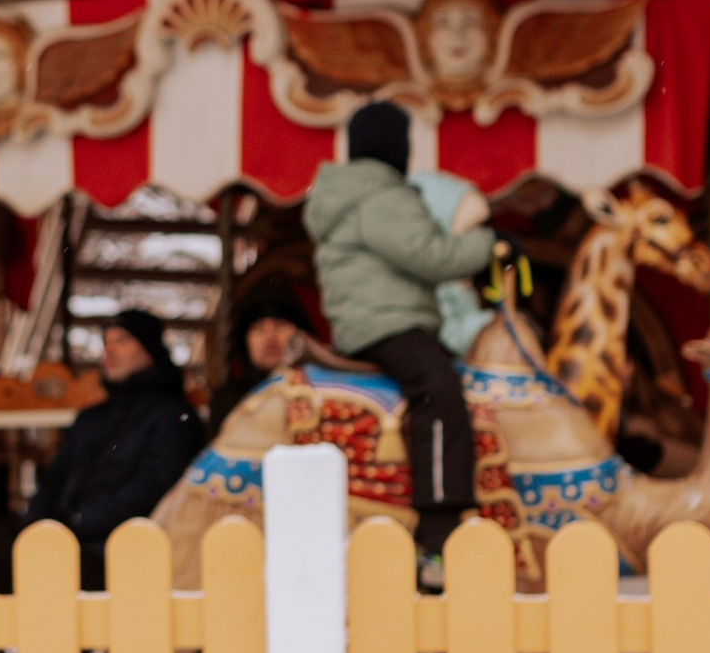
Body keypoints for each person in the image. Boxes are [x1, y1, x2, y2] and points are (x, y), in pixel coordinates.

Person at [303, 101, 495, 553]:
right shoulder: (381, 197)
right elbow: (432, 256)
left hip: (364, 320)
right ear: (398, 148)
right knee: (438, 390)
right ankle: (439, 525)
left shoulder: (349, 195)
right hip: (386, 322)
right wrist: (489, 243)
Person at [28, 308, 208, 580]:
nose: (109, 351)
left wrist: (77, 524)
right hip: (65, 540)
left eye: (122, 341)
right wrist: (34, 527)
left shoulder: (173, 417)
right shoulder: (90, 418)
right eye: (106, 342)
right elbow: (55, 480)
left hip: (126, 549)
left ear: (149, 350)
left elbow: (151, 488)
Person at [209, 273, 312, 434]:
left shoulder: (321, 393)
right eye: (259, 328)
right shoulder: (228, 402)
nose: (270, 337)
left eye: (280, 325)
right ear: (245, 342)